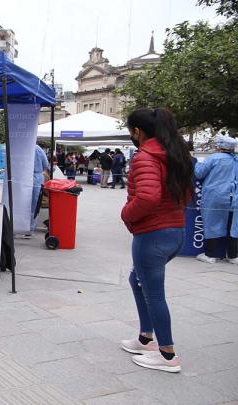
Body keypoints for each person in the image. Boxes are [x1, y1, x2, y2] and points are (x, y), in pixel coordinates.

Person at [120, 107, 193, 373]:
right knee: (136, 280)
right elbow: (187, 194)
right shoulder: (176, 154)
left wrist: (126, 214)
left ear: (138, 131)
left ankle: (167, 355)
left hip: (152, 234)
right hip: (175, 231)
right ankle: (145, 338)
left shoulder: (145, 157)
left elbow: (148, 197)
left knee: (154, 294)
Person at [194, 135, 238, 264]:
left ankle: (210, 255)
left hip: (216, 196)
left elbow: (199, 173)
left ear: (219, 146)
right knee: (233, 225)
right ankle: (233, 256)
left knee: (211, 223)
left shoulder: (214, 158)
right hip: (235, 198)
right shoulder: (236, 160)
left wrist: (197, 163)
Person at [31, 144, 50, 232]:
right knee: (35, 204)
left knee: (23, 203)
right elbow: (46, 164)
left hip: (22, 177)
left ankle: (20, 226)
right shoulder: (38, 149)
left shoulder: (21, 146)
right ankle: (30, 228)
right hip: (37, 178)